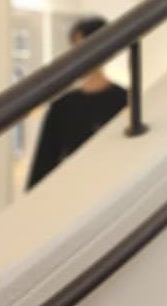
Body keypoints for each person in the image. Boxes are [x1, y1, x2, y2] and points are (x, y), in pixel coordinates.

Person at [26, 15, 128, 189]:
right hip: (73, 193)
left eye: (83, 48)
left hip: (115, 190)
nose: (77, 56)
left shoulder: (126, 100)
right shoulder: (62, 106)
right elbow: (42, 169)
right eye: (75, 48)